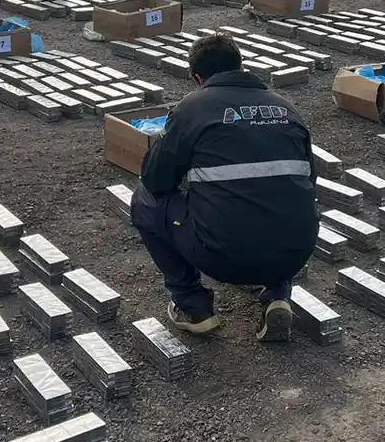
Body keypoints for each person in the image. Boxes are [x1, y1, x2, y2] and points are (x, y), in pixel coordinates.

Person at [130, 33, 318, 342]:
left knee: (144, 200)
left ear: (197, 78)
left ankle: (193, 307)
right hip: (296, 252)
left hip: (223, 257)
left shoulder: (193, 107)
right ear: (240, 66)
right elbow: (310, 179)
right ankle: (277, 295)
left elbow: (155, 179)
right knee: (285, 198)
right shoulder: (285, 107)